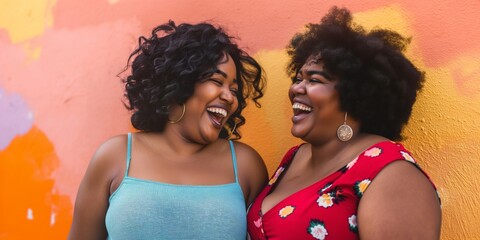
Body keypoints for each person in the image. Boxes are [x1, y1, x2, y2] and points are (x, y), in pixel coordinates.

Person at [247, 6, 441, 240]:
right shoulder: (294, 157)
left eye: (314, 79)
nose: (297, 88)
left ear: (353, 95)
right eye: (298, 78)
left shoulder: (390, 171)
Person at [68, 20, 268, 240]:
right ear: (178, 82)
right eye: (216, 81)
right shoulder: (115, 156)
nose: (229, 97)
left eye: (234, 90)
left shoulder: (246, 165)